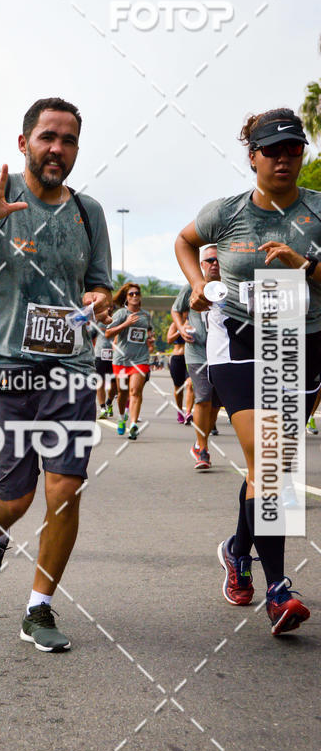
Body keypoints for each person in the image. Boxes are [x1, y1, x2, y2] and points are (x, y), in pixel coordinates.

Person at [0, 97, 112, 652]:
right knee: (15, 497)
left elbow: (101, 283)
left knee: (65, 491)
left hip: (70, 367)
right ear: (24, 143)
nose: (57, 148)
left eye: (68, 140)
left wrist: (98, 300)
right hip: (2, 364)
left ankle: (39, 608)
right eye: (47, 137)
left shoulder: (90, 212)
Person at [176, 107, 321, 636]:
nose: (284, 158)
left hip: (301, 338)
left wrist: (303, 267)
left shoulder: (318, 210)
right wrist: (195, 282)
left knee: (268, 463)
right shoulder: (227, 212)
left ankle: (238, 549)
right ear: (253, 156)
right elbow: (185, 241)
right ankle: (280, 590)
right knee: (272, 459)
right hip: (236, 337)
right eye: (273, 150)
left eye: (294, 149)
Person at [172, 246, 222, 469]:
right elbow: (176, 309)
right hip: (197, 351)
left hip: (222, 352)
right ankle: (202, 449)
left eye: (218, 260)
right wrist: (182, 328)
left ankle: (200, 442)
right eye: (209, 260)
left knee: (215, 403)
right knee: (203, 397)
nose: (214, 263)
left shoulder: (229, 286)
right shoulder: (192, 286)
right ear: (201, 264)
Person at [105, 283, 153, 440]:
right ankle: (121, 417)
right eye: (131, 294)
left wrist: (150, 340)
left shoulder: (146, 315)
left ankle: (133, 424)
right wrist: (126, 324)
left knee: (135, 391)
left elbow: (148, 332)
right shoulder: (120, 314)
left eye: (137, 293)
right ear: (126, 297)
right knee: (123, 393)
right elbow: (107, 333)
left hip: (140, 359)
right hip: (121, 360)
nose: (134, 296)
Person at [91, 308, 116, 419]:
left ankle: (109, 402)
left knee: (115, 384)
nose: (108, 309)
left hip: (115, 356)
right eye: (105, 307)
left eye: (110, 307)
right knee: (99, 382)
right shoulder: (98, 321)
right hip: (99, 355)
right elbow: (90, 334)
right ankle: (102, 407)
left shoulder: (118, 320)